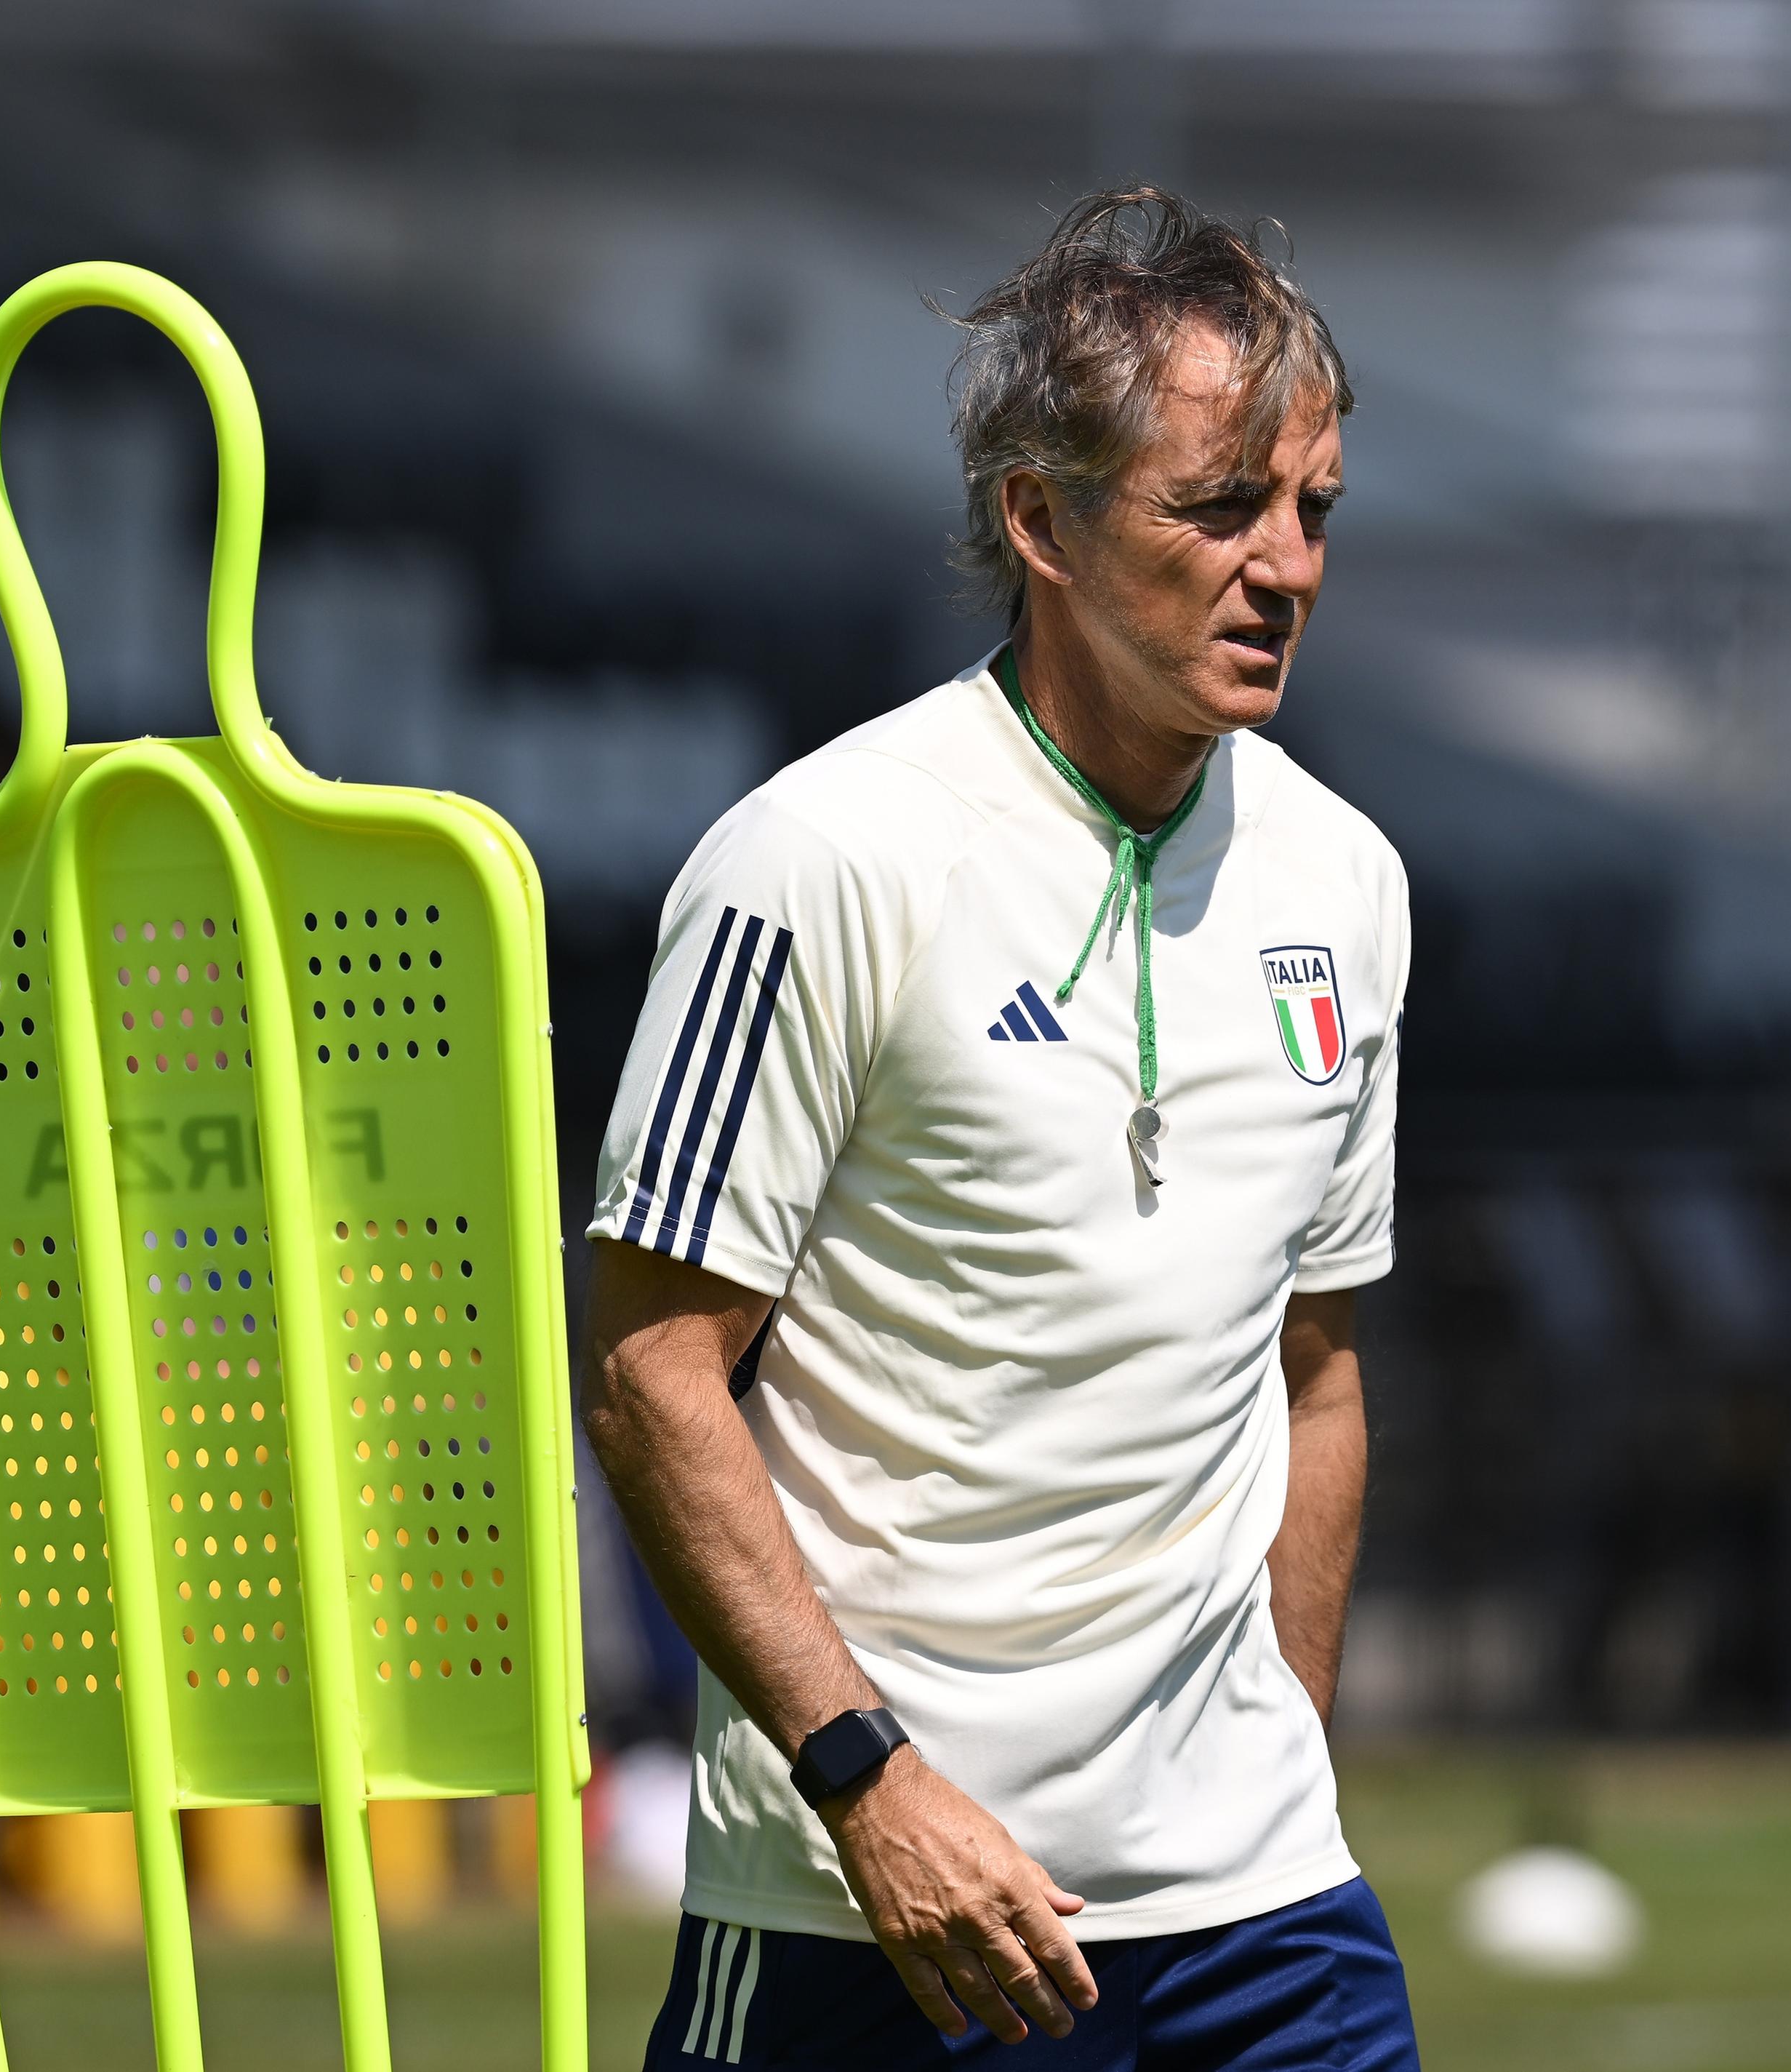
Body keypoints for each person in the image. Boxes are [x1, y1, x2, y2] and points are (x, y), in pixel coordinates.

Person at [581, 186, 1417, 2070]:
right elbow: (647, 1371)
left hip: (1265, 1920)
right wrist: (867, 1783)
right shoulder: (819, 862)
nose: (1284, 566)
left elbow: (1320, 1373)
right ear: (1041, 519)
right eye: (1220, 507)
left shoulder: (1349, 882)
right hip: (881, 1915)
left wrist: (1274, 1766)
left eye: (1314, 510)